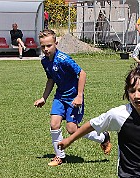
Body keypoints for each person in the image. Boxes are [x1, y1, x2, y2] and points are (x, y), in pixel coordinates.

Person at [33, 29, 112, 166]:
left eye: (49, 45)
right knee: (54, 124)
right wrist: (44, 98)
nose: (46, 49)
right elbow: (51, 79)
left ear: (56, 43)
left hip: (73, 97)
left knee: (72, 129)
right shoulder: (45, 61)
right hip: (59, 96)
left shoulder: (64, 59)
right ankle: (59, 156)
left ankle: (103, 137)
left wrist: (79, 96)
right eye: (43, 46)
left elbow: (82, 74)